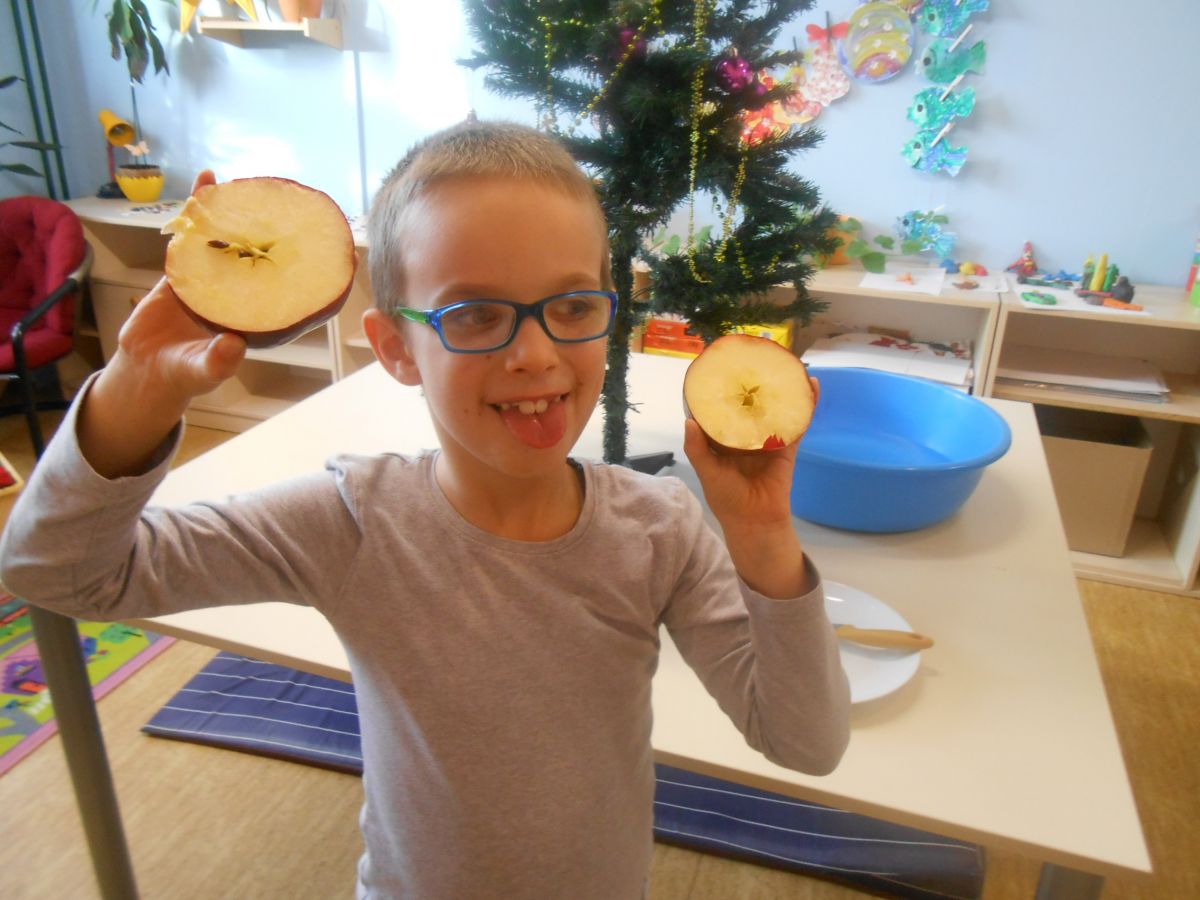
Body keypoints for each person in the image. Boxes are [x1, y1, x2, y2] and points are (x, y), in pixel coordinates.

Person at [0, 120, 849, 899]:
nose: (535, 354)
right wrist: (134, 393)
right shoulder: (354, 523)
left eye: (571, 307)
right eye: (475, 314)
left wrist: (762, 535)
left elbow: (805, 742)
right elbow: (57, 571)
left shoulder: (659, 529)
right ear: (396, 348)